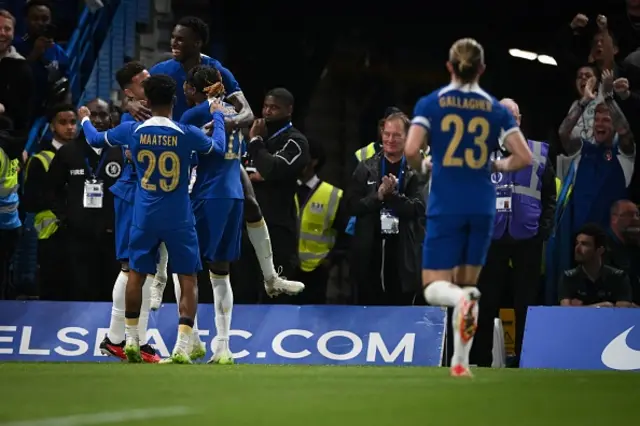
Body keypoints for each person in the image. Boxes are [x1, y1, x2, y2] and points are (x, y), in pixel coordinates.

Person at [404, 38, 533, 377]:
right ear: (482, 69)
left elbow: (411, 150)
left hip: (447, 203)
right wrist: (495, 167)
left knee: (435, 289)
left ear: (449, 66)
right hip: (481, 206)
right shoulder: (496, 109)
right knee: (467, 287)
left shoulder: (432, 103)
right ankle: (461, 363)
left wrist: (423, 167)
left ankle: (460, 340)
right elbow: (524, 157)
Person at [79, 74, 227, 364]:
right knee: (187, 278)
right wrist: (218, 117)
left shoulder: (130, 130)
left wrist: (84, 118)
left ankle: (132, 339)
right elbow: (218, 148)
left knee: (136, 274)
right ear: (174, 101)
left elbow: (95, 139)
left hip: (144, 214)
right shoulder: (185, 133)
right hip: (178, 216)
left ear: (146, 101)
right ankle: (183, 346)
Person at [99, 62, 169, 363]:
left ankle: (125, 339)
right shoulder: (131, 121)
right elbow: (94, 139)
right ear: (130, 92)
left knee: (144, 269)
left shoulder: (153, 114)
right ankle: (125, 340)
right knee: (133, 268)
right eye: (144, 82)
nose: (150, 84)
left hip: (150, 197)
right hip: (132, 195)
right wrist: (87, 120)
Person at [232, 88, 309, 302]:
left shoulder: (295, 142)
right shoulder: (249, 135)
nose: (267, 112)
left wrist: (256, 142)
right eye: (266, 106)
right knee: (243, 289)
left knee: (275, 293)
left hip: (277, 228)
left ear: (289, 110)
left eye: (274, 107)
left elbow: (272, 169)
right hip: (246, 227)